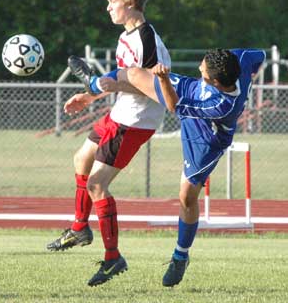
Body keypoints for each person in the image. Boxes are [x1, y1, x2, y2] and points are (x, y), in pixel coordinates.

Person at [68, 48, 266, 287]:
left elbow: (172, 105)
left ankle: (180, 255)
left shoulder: (222, 104)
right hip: (190, 91)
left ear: (214, 82)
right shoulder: (239, 60)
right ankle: (94, 86)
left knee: (187, 197)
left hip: (204, 138)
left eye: (202, 70)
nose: (200, 67)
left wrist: (162, 79)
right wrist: (251, 76)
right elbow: (260, 56)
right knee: (134, 74)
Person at [46, 0, 171, 287]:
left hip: (135, 121)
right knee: (81, 159)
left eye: (112, 0)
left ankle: (113, 258)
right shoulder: (125, 35)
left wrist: (102, 85)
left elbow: (149, 88)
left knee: (97, 185)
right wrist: (90, 95)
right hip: (121, 113)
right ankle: (79, 227)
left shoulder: (147, 41)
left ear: (130, 1)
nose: (108, 6)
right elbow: (119, 81)